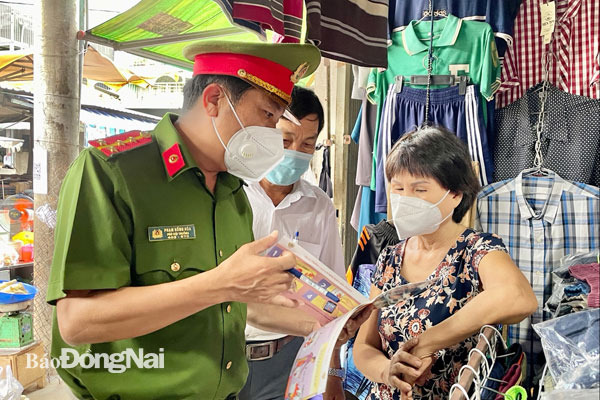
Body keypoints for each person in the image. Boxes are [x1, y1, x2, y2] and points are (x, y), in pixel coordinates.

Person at [46, 41, 322, 400]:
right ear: (213, 100)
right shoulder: (113, 172)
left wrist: (321, 325)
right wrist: (220, 284)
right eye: (268, 115)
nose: (273, 136)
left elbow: (230, 303)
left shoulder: (232, 191)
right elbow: (76, 323)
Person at [353, 126, 537, 400]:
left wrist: (426, 344)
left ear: (455, 194)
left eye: (420, 189)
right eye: (398, 188)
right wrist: (387, 370)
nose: (405, 199)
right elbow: (364, 346)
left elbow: (519, 297)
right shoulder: (390, 257)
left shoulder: (477, 249)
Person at [240, 86, 346, 400]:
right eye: (285, 140)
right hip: (225, 350)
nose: (295, 152)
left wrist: (334, 374)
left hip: (290, 356)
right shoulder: (232, 192)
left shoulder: (319, 205)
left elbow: (334, 298)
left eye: (308, 144)